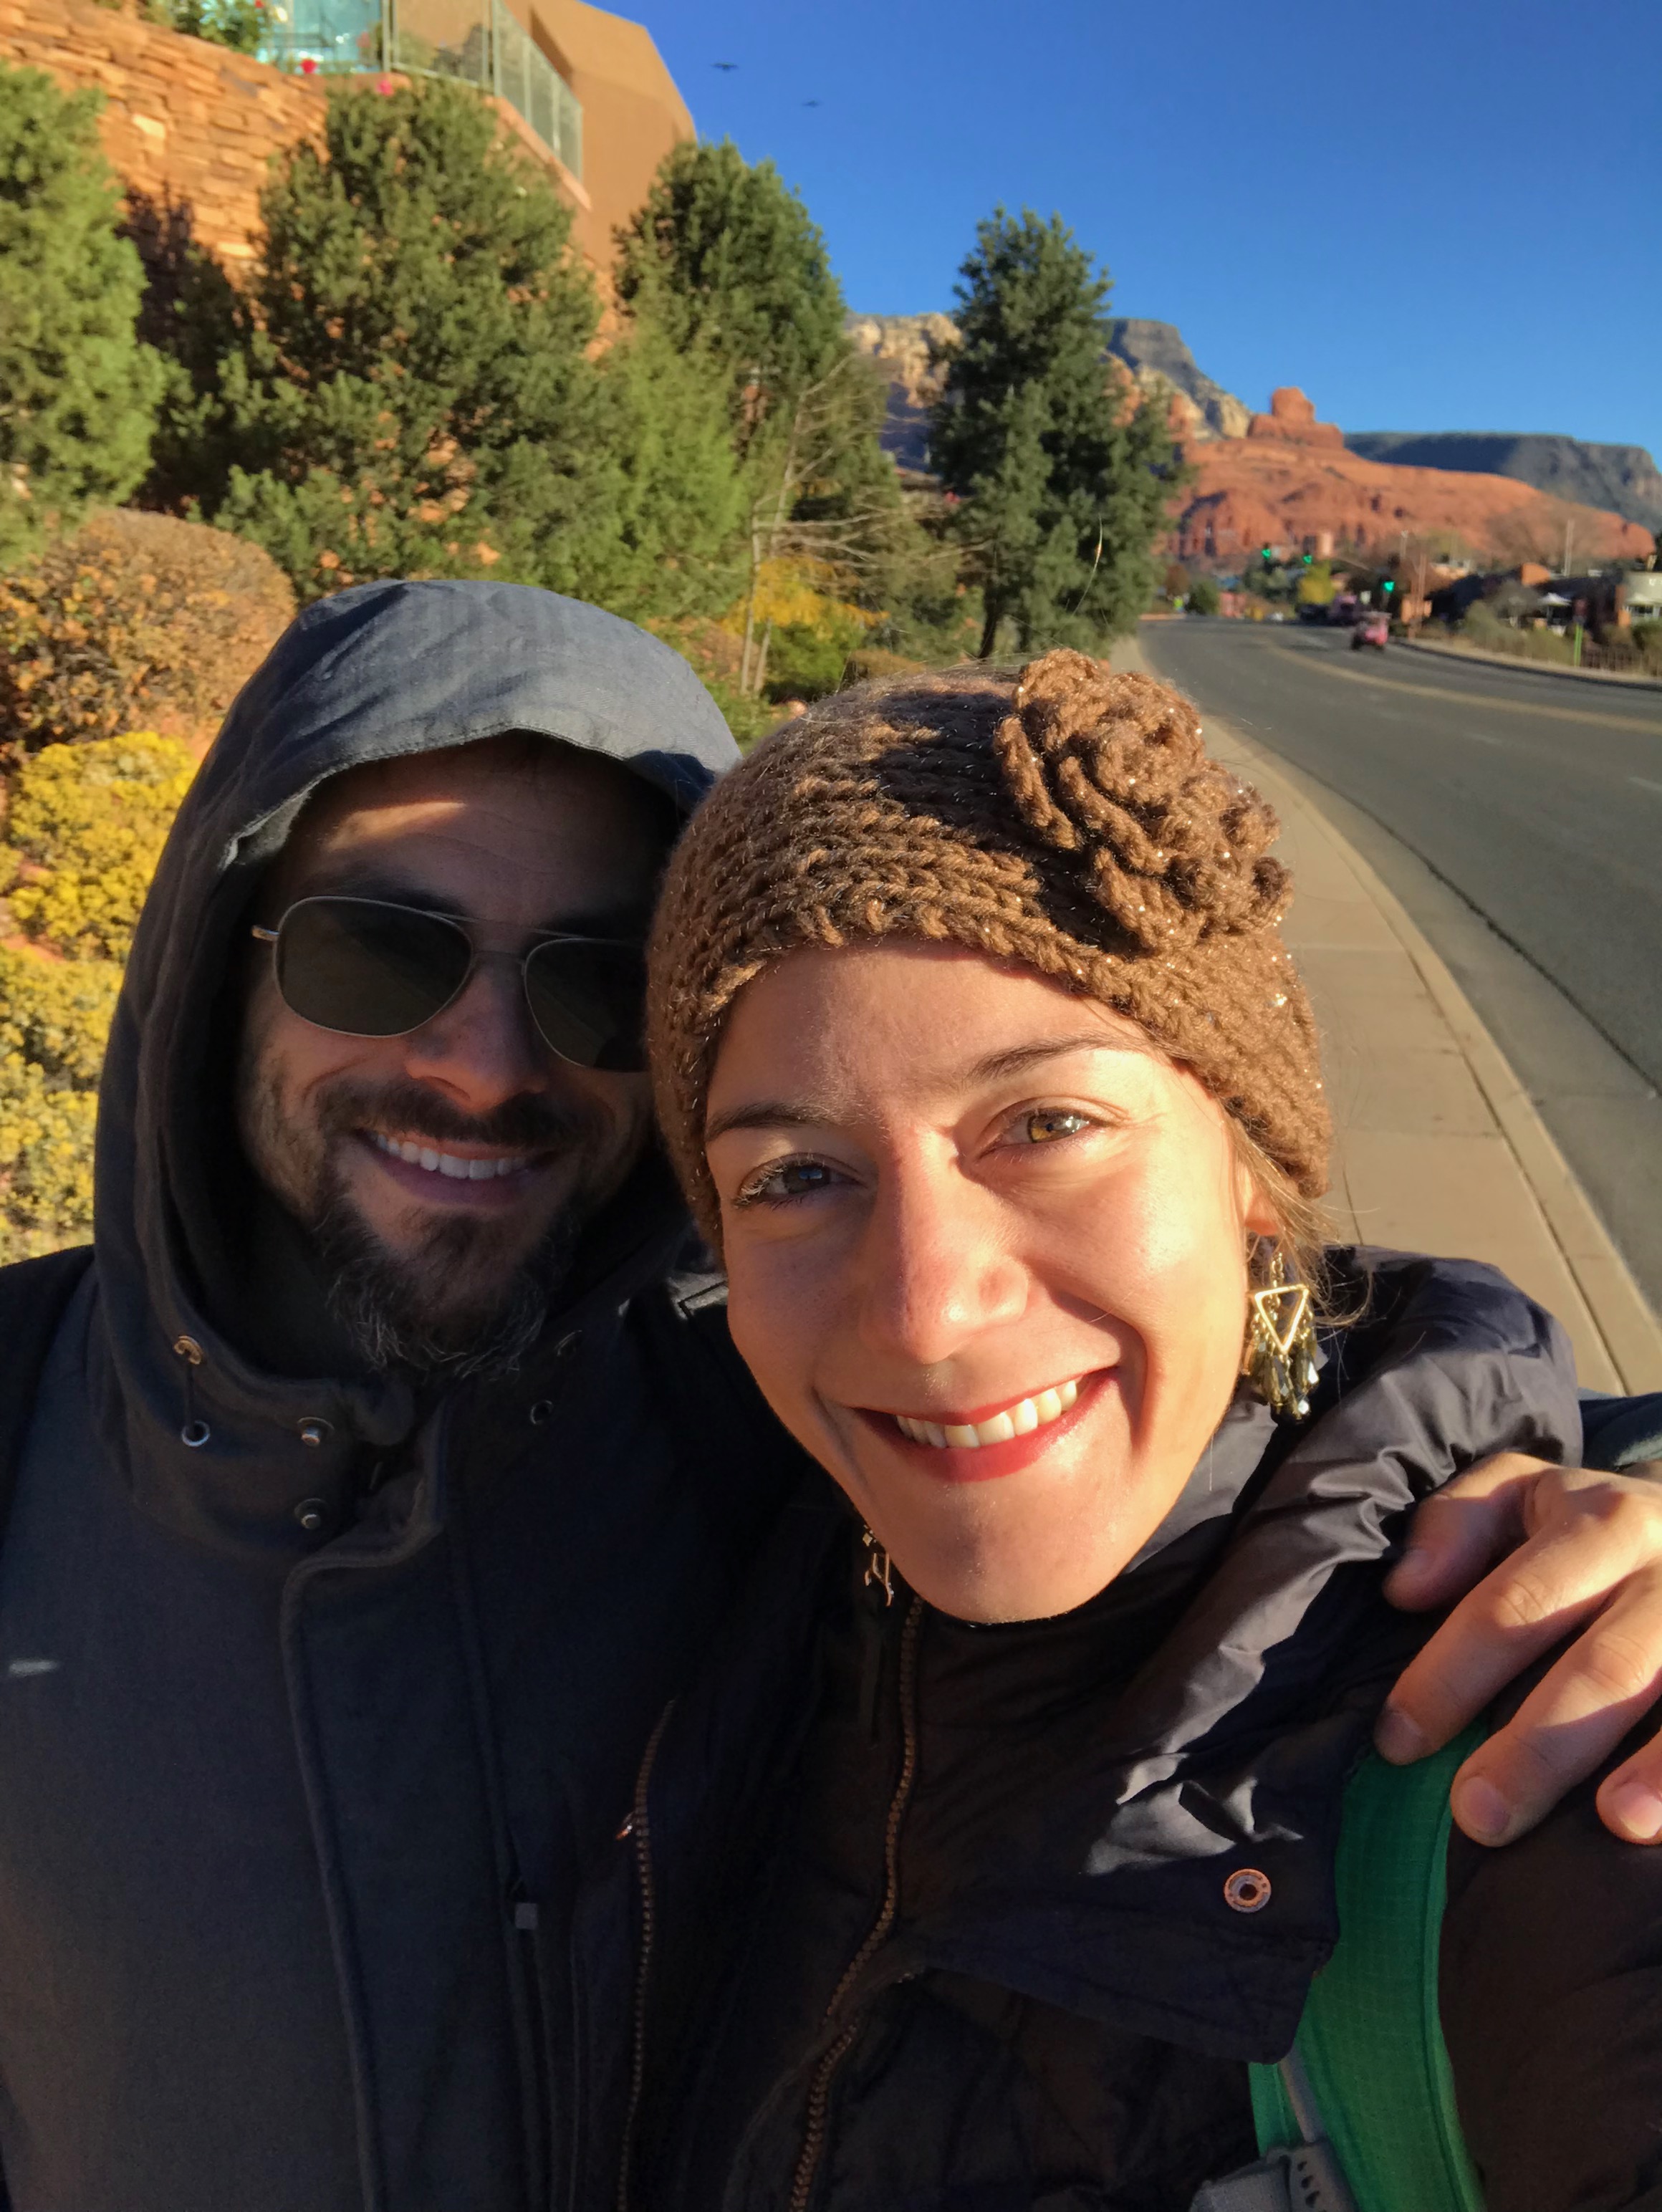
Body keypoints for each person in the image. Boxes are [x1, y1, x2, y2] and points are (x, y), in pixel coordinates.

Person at [0, 587, 1653, 2212]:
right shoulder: (834, 1522)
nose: (487, 1064)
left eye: (593, 982)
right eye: (379, 945)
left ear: (1247, 1153)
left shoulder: (764, 1463)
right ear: (216, 960)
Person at [587, 650, 1662, 2212]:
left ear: (1246, 1162)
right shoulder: (733, 1623)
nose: (922, 1309)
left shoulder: (1559, 1776)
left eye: (1043, 1124)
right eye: (793, 1174)